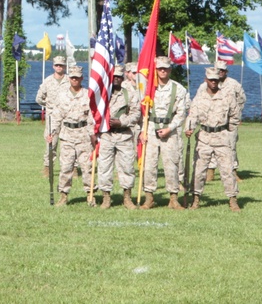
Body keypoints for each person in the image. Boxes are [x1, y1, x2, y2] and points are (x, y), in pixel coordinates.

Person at [185, 67, 242, 211]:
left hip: (222, 138)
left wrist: (229, 130)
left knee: (227, 170)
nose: (213, 82)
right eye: (211, 80)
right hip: (204, 137)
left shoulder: (227, 96)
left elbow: (235, 115)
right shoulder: (199, 98)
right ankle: (196, 199)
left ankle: (232, 199)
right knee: (198, 171)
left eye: (216, 80)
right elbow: (193, 115)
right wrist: (189, 127)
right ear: (206, 80)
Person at [140, 56, 188, 210]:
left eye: (165, 68)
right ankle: (149, 197)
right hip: (151, 129)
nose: (162, 71)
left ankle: (173, 198)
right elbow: (142, 111)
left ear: (170, 69)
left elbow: (181, 113)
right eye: (159, 68)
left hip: (170, 130)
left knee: (171, 165)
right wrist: (142, 130)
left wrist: (170, 128)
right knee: (149, 165)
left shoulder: (178, 89)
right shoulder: (148, 89)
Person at [48, 65, 97, 207]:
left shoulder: (88, 95)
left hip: (83, 136)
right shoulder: (62, 95)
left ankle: (90, 195)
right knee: (66, 168)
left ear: (82, 78)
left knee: (87, 167)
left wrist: (93, 134)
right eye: (72, 77)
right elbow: (56, 116)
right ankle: (63, 196)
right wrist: (51, 133)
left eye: (77, 77)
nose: (75, 80)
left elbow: (92, 116)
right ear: (69, 78)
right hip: (67, 135)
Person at [95, 64, 141, 210]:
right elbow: (93, 112)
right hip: (106, 136)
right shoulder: (102, 95)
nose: (115, 79)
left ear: (122, 78)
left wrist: (122, 122)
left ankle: (127, 198)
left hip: (124, 136)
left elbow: (136, 114)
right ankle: (106, 198)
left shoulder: (130, 94)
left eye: (118, 77)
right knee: (104, 167)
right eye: (113, 77)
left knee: (127, 167)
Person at [212, 59, 245, 181]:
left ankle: (233, 171)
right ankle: (210, 172)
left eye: (223, 70)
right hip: (212, 122)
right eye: (218, 70)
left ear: (226, 71)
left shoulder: (234, 84)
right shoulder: (208, 84)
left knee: (231, 146)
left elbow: (241, 99)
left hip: (229, 122)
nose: (220, 72)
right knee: (210, 146)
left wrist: (235, 115)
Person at [36, 55, 68, 176]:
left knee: (69, 144)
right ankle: (47, 167)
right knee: (51, 143)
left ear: (64, 66)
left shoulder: (70, 80)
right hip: (52, 117)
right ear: (53, 66)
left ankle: (72, 168)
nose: (59, 67)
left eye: (61, 65)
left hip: (66, 117)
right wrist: (50, 106)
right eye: (57, 65)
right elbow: (39, 98)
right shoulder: (48, 80)